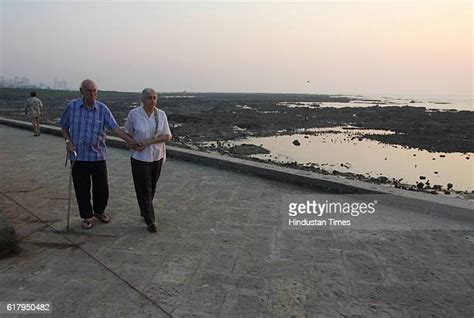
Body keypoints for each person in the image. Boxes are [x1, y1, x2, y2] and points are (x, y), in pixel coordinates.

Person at [60, 79, 138, 229]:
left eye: (95, 91)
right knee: (81, 188)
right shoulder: (72, 107)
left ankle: (99, 211)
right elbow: (63, 127)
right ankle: (87, 216)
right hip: (78, 156)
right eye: (89, 91)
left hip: (98, 156)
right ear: (81, 91)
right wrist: (67, 142)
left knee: (102, 187)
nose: (92, 94)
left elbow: (116, 129)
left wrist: (131, 142)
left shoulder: (102, 109)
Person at [123, 88, 172, 233]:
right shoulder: (134, 114)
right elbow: (127, 133)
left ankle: (144, 210)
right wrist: (132, 143)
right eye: (149, 98)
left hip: (157, 156)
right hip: (139, 157)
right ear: (142, 99)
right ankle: (150, 220)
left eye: (155, 98)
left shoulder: (161, 114)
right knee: (144, 187)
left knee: (152, 186)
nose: (153, 101)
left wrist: (148, 141)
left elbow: (167, 136)